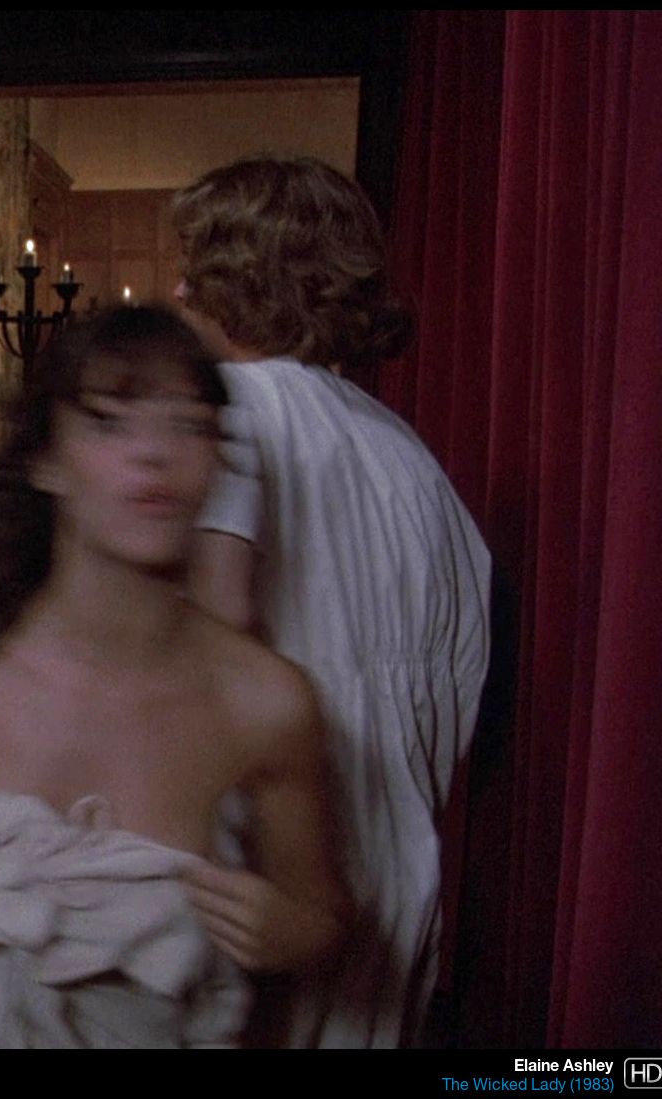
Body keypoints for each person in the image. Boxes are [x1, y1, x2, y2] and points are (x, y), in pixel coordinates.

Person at [0, 306, 350, 1048]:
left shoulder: (264, 702)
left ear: (217, 461)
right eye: (108, 422)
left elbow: (319, 912)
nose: (154, 453)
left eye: (189, 425)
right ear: (47, 461)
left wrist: (288, 932)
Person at [170, 156, 493, 1048]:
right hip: (398, 868)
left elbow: (206, 647)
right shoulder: (412, 459)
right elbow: (461, 683)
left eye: (198, 266)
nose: (180, 290)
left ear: (245, 280)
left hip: (267, 874)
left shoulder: (228, 415)